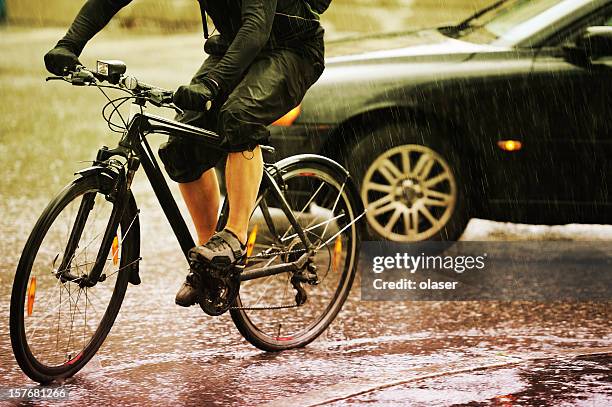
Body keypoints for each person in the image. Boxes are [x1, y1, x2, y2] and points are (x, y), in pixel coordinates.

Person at [44, 0, 325, 307]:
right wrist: (70, 43)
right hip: (233, 47)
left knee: (239, 116)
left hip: (291, 52)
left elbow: (257, 26)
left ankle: (235, 235)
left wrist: (211, 83)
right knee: (180, 149)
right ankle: (209, 263)